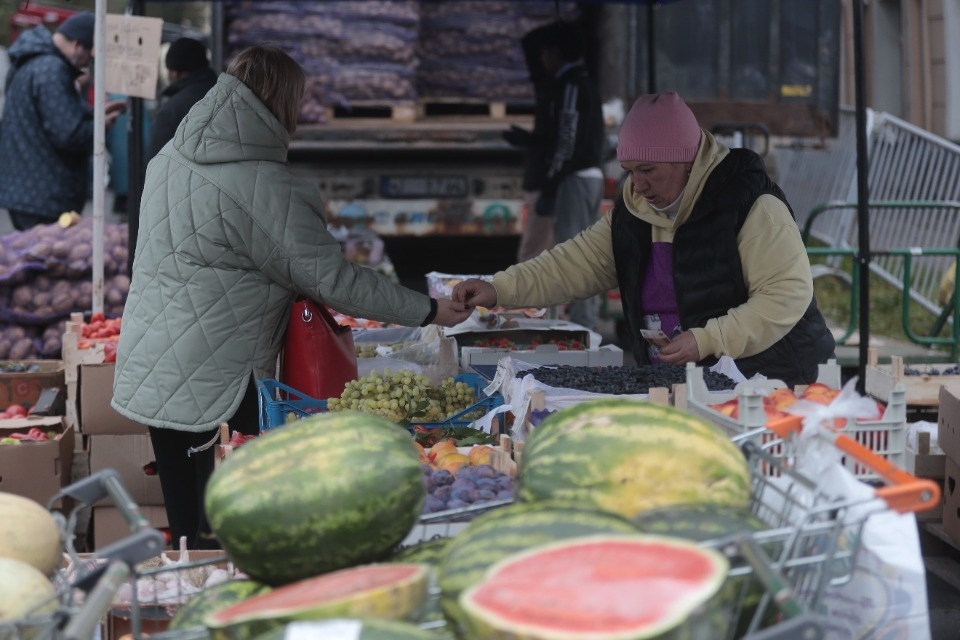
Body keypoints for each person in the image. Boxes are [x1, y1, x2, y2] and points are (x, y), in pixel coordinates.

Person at [111, 45, 473, 549]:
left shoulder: (170, 154)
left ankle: (189, 590)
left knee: (187, 530)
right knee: (249, 518)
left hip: (155, 349)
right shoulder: (265, 187)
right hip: (218, 366)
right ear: (284, 103)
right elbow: (333, 280)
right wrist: (429, 308)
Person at [453, 92, 836, 386]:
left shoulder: (752, 203)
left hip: (777, 386)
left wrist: (707, 339)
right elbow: (572, 265)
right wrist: (498, 289)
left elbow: (787, 294)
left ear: (686, 159)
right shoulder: (635, 210)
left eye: (648, 169)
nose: (638, 184)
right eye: (630, 171)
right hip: (687, 386)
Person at [0, 12, 125, 230]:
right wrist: (102, 125)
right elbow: (69, 134)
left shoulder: (31, 63)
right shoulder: (52, 70)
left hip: (28, 192)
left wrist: (92, 114)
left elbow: (49, 119)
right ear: (78, 45)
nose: (86, 65)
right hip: (45, 196)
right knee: (49, 260)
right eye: (90, 55)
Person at [522, 19, 605, 330]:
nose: (543, 60)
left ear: (557, 53)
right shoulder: (581, 83)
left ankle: (582, 324)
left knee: (575, 253)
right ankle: (581, 320)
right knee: (582, 251)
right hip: (585, 177)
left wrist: (550, 183)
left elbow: (567, 138)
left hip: (575, 178)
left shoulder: (571, 85)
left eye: (546, 53)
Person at [126, 37, 217, 275]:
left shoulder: (173, 109)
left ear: (174, 72)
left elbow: (155, 173)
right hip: (225, 214)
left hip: (184, 220)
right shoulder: (228, 99)